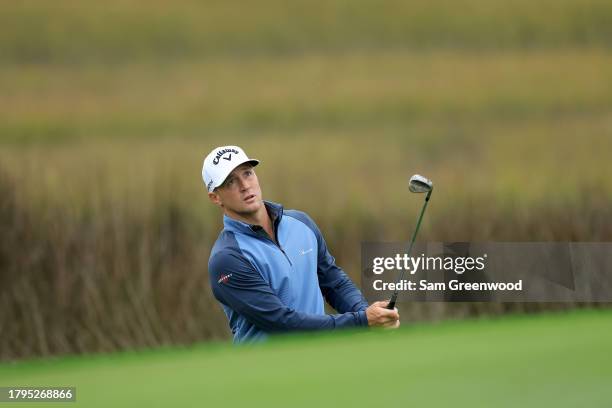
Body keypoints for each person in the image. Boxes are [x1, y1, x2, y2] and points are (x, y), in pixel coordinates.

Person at [203, 145, 400, 342]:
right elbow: (281, 322)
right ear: (215, 197)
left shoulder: (301, 223)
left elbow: (334, 282)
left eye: (248, 173)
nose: (244, 185)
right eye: (230, 182)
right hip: (262, 369)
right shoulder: (227, 258)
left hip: (317, 361)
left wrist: (369, 314)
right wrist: (362, 321)